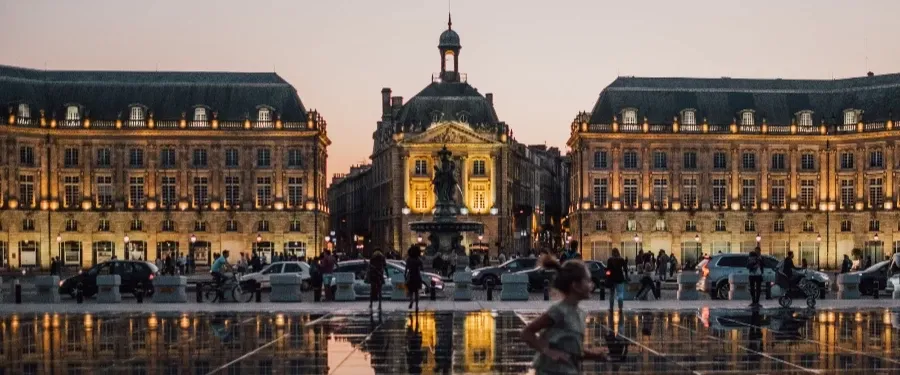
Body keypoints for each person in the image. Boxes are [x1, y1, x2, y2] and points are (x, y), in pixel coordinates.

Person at [520, 256, 607, 374]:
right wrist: (547, 351)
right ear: (575, 285)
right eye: (587, 281)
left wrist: (595, 355)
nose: (591, 285)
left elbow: (572, 351)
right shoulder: (559, 311)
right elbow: (527, 333)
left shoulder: (581, 314)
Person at [405, 245, 424, 310]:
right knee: (416, 292)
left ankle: (411, 300)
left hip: (410, 276)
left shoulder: (409, 259)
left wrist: (405, 275)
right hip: (417, 276)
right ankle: (416, 305)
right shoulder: (418, 260)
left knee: (410, 291)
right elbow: (422, 268)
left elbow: (406, 268)